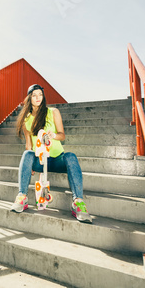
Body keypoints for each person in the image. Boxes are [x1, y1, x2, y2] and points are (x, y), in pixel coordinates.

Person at [10, 84, 92, 223]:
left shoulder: (53, 112)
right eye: (34, 95)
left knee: (71, 156)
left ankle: (78, 202)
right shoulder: (26, 119)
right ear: (29, 97)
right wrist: (28, 165)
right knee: (27, 155)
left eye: (40, 95)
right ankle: (22, 197)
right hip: (40, 161)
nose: (38, 98)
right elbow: (29, 145)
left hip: (57, 159)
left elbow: (62, 135)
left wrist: (53, 135)